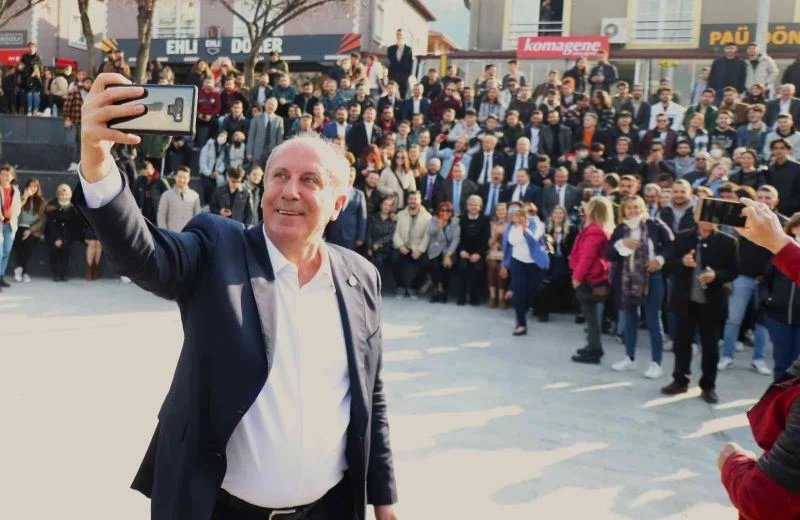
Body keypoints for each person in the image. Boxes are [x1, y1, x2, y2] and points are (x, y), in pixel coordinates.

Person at [75, 75, 398, 520]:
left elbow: (369, 394)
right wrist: (96, 161)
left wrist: (384, 499)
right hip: (218, 509)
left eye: (309, 180)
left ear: (338, 203)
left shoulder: (361, 277)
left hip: (327, 509)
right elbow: (146, 256)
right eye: (279, 176)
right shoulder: (218, 247)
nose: (289, 190)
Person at [661, 210, 739, 404]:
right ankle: (680, 381)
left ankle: (708, 386)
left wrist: (716, 276)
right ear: (696, 217)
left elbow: (734, 270)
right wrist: (682, 262)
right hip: (685, 301)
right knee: (681, 343)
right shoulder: (681, 237)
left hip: (711, 303)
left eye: (713, 216)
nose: (709, 220)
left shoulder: (728, 242)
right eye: (705, 216)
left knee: (710, 347)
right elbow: (669, 264)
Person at [606, 195, 674, 379]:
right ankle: (629, 358)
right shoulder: (620, 229)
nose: (633, 211)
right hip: (628, 280)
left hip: (653, 277)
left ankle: (656, 363)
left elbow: (671, 245)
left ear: (642, 208)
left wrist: (659, 259)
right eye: (629, 208)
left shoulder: (655, 224)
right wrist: (622, 243)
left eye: (636, 207)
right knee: (630, 319)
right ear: (623, 210)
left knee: (653, 319)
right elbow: (608, 253)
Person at [570, 196, 614, 362]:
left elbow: (587, 257)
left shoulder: (594, 231)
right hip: (593, 277)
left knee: (591, 318)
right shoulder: (597, 228)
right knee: (591, 316)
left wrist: (577, 277)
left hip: (590, 279)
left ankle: (594, 350)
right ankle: (592, 346)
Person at [500, 201, 549, 336]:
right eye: (511, 212)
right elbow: (508, 247)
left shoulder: (536, 223)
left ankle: (523, 311)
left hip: (535, 264)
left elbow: (534, 241)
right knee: (519, 292)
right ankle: (521, 324)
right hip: (518, 262)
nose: (514, 214)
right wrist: (505, 264)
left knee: (531, 292)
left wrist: (525, 228)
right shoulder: (509, 227)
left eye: (517, 211)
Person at [761, 212, 800, 378]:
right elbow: (766, 281)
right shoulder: (780, 252)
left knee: (796, 369)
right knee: (781, 365)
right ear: (793, 228)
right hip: (778, 318)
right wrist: (768, 300)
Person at [391, 190, 432, 298]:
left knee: (426, 263)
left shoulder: (427, 216)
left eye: (415, 199)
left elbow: (427, 236)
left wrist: (420, 250)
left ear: (420, 200)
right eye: (410, 199)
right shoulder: (401, 214)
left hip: (417, 248)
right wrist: (400, 245)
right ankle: (400, 286)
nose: (412, 201)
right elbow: (395, 232)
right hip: (402, 246)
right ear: (407, 200)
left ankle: (414, 287)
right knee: (394, 259)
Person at [455, 195, 490, 306]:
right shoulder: (461, 218)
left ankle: (474, 297)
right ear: (467, 206)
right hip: (463, 251)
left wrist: (479, 254)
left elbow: (486, 239)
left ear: (480, 207)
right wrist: (461, 251)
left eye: (476, 205)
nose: (473, 207)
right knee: (462, 267)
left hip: (478, 252)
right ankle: (461, 296)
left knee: (477, 268)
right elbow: (457, 237)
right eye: (471, 205)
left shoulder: (485, 220)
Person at [11, 178, 46, 284]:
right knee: (18, 247)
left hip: (33, 229)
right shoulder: (20, 198)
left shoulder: (41, 201)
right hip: (19, 227)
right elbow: (15, 210)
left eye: (35, 186)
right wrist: (24, 197)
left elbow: (42, 220)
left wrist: (30, 230)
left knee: (28, 246)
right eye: (30, 186)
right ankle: (24, 273)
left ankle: (20, 270)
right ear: (26, 187)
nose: (32, 188)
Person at [426, 201, 460, 303]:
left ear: (451, 212)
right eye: (442, 210)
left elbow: (456, 239)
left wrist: (448, 255)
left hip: (448, 250)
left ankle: (443, 290)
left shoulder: (455, 223)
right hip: (435, 249)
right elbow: (430, 232)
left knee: (446, 266)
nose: (445, 212)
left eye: (448, 211)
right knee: (434, 265)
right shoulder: (434, 220)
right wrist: (438, 227)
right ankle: (435, 289)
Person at [44, 184, 80, 282]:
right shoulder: (52, 206)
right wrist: (56, 238)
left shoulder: (73, 207)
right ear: (58, 195)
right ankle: (55, 274)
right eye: (61, 195)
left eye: (66, 194)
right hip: (54, 234)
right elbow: (50, 224)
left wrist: (65, 238)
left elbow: (74, 224)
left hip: (67, 234)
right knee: (54, 253)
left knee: (65, 254)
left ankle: (64, 274)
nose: (64, 197)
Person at [326, 168, 367, 251]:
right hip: (333, 231)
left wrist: (361, 237)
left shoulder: (359, 194)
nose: (350, 178)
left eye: (352, 176)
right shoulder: (336, 191)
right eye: (348, 175)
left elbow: (362, 217)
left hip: (350, 233)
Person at [156, 166, 202, 233]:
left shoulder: (195, 196)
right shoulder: (166, 195)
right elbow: (161, 216)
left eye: (184, 177)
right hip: (171, 235)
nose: (182, 180)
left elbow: (198, 218)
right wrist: (164, 233)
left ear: (189, 179)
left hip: (188, 235)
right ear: (175, 177)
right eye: (179, 177)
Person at [246, 97, 285, 169]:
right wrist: (249, 152)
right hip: (257, 152)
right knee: (256, 172)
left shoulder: (279, 120)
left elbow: (279, 139)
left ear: (276, 107)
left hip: (272, 152)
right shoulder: (256, 119)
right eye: (269, 104)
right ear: (265, 105)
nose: (270, 106)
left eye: (273, 105)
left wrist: (279, 153)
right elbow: (251, 137)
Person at [766, 138, 800, 216]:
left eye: (782, 148)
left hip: (794, 212)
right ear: (772, 151)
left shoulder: (797, 168)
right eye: (776, 148)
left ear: (788, 150)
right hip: (774, 210)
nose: (779, 151)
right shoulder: (770, 169)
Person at [0, 164, 21, 288]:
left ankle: (1, 276)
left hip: (10, 225)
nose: (4, 177)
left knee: (6, 251)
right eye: (2, 174)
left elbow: (18, 207)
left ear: (12, 177)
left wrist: (12, 214)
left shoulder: (15, 191)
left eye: (7, 175)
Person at [386, 29, 413, 99]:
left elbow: (411, 63)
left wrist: (407, 75)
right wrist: (397, 47)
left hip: (403, 77)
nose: (399, 36)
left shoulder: (408, 49)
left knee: (402, 96)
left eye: (401, 34)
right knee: (391, 95)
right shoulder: (391, 49)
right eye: (398, 34)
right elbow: (390, 61)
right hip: (393, 76)